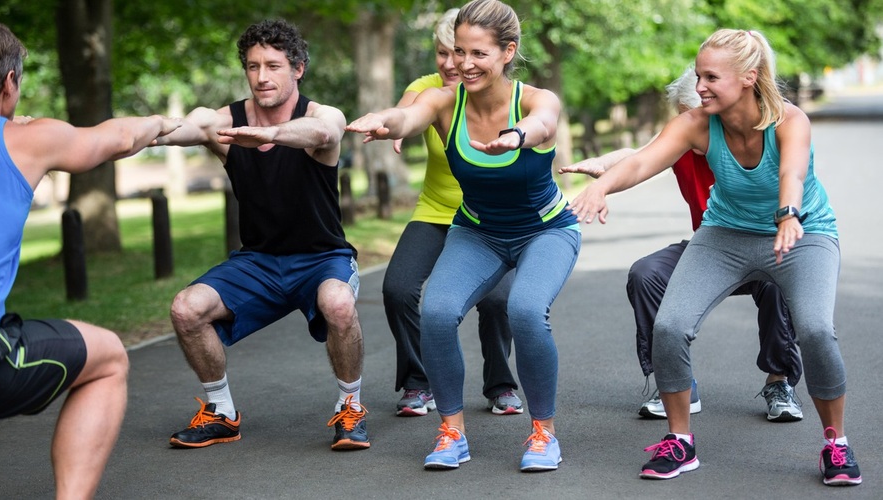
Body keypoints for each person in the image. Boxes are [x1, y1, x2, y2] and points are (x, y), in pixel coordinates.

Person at [568, 29, 861, 486]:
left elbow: (792, 171)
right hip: (724, 233)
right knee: (669, 325)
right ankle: (679, 442)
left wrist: (787, 215)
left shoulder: (789, 119)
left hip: (802, 233)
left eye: (710, 77)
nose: (699, 85)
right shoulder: (697, 123)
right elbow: (644, 161)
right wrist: (601, 186)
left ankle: (835, 446)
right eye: (699, 74)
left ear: (749, 77)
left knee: (818, 330)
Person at [347, 0, 580, 472]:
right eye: (457, 52)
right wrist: (386, 121)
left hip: (546, 230)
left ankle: (543, 434)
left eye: (478, 54)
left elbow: (544, 124)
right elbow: (409, 117)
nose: (463, 64)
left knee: (525, 310)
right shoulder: (442, 101)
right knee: (435, 312)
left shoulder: (536, 99)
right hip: (478, 232)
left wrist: (516, 135)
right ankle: (452, 431)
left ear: (507, 51)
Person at [0, 19, 180, 499]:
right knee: (109, 356)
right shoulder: (28, 140)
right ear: (10, 82)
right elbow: (115, 139)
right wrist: (158, 123)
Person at [152, 19, 369, 451]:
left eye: (273, 65)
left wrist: (270, 135)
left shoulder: (320, 116)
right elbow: (181, 127)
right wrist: (137, 132)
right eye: (253, 67)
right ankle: (221, 413)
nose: (262, 77)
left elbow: (326, 132)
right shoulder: (224, 122)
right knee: (186, 308)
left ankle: (351, 408)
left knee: (338, 302)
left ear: (298, 69)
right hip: (259, 261)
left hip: (321, 257)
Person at [560, 66, 804, 422]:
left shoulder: (759, 141)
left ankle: (779, 382)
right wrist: (602, 168)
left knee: (778, 275)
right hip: (712, 250)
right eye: (682, 117)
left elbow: (792, 175)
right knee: (647, 273)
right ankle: (676, 384)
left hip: (764, 244)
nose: (688, 125)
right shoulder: (684, 143)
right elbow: (638, 153)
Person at [384, 8, 522, 418]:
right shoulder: (429, 89)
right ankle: (417, 381)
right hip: (437, 210)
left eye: (458, 53)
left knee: (498, 300)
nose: (450, 64)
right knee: (397, 288)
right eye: (442, 53)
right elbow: (408, 109)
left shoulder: (496, 92)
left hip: (491, 218)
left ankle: (499, 383)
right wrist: (394, 125)